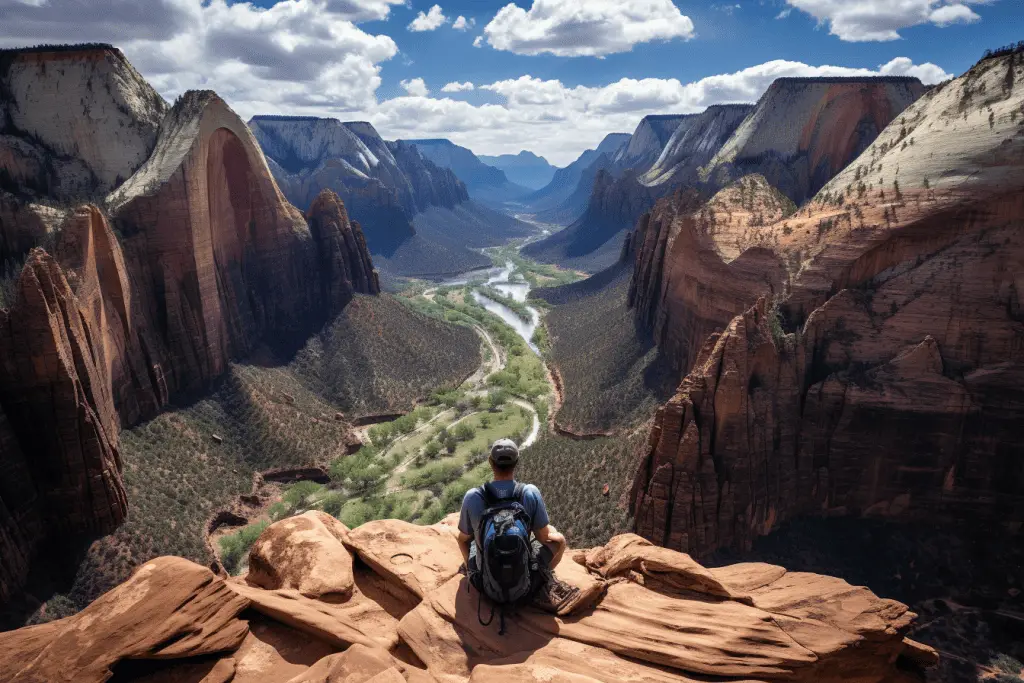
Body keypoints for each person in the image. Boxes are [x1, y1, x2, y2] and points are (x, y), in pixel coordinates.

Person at [457, 438, 567, 630]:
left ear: (491, 463)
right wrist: (558, 536)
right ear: (516, 463)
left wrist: (471, 565)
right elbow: (544, 537)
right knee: (560, 541)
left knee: (471, 542)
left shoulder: (473, 496)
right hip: (524, 587)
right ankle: (544, 577)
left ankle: (474, 572)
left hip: (486, 586)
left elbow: (463, 539)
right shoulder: (530, 493)